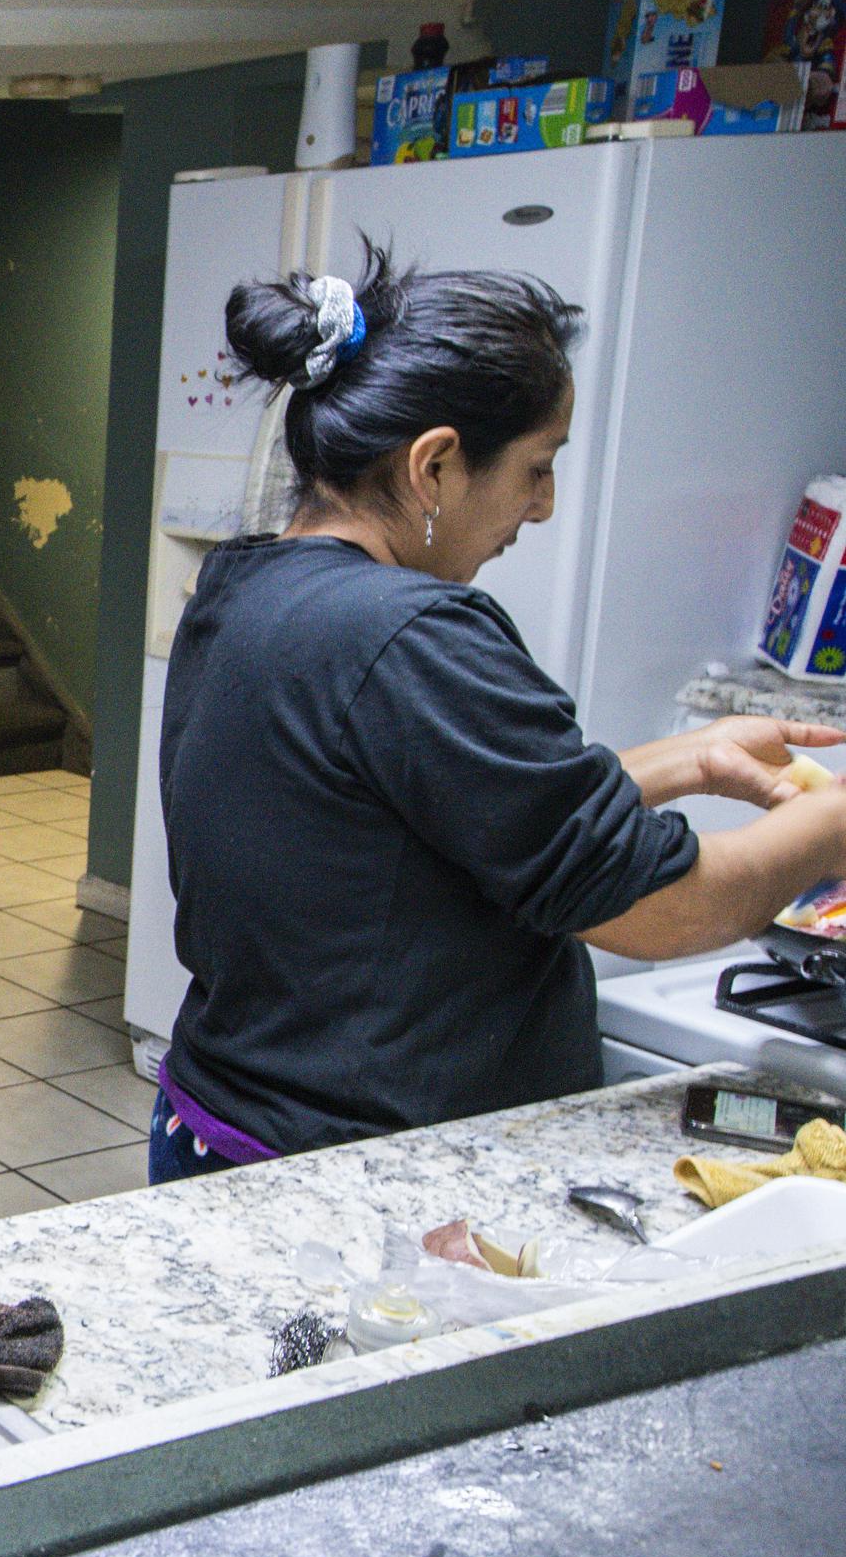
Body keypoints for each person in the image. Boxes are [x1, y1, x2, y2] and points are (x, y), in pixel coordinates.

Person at [154, 245, 846, 1180]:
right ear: (434, 464)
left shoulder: (244, 588)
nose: (545, 505)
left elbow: (396, 822)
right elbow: (659, 910)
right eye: (536, 467)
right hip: (361, 1175)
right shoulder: (413, 633)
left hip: (222, 1124)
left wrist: (680, 760)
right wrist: (831, 820)